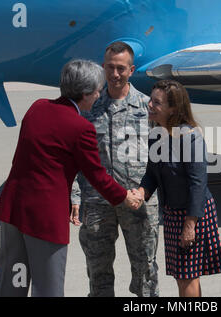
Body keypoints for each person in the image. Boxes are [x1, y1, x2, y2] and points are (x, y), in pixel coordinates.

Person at [0, 59, 142, 297]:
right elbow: (97, 176)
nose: (98, 94)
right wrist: (124, 196)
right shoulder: (80, 127)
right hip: (43, 218)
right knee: (47, 287)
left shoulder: (37, 107)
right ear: (85, 93)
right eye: (97, 90)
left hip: (13, 209)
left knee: (12, 281)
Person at [71, 42, 159, 297]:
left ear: (131, 70)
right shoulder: (89, 108)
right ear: (102, 68)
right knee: (97, 272)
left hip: (138, 202)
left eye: (121, 68)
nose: (115, 73)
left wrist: (149, 192)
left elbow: (161, 157)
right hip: (97, 202)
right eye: (110, 67)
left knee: (146, 271)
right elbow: (76, 156)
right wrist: (76, 194)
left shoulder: (148, 108)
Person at [136, 79, 221, 297]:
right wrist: (141, 193)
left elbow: (198, 182)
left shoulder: (189, 137)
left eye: (157, 103)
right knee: (184, 275)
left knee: (186, 275)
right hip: (173, 213)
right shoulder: (157, 135)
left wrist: (189, 225)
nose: (150, 105)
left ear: (173, 108)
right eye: (151, 100)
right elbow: (152, 174)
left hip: (193, 216)